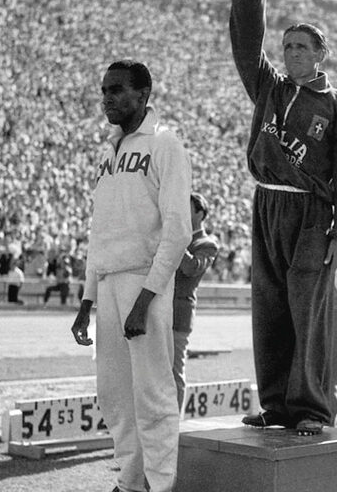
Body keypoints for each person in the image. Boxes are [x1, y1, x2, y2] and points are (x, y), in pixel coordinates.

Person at [230, 0, 337, 436]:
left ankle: (310, 407)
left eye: (300, 46)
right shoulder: (269, 87)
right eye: (286, 45)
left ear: (321, 53)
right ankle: (275, 405)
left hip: (310, 214)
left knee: (310, 312)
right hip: (266, 205)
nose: (290, 52)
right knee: (268, 306)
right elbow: (246, 46)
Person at [71, 60, 192, 492]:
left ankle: (161, 486)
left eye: (117, 90)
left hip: (146, 283)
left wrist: (145, 298)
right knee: (115, 396)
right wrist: (87, 300)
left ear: (143, 95)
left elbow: (179, 230)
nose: (107, 98)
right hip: (107, 286)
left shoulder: (165, 145)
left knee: (153, 395)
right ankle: (131, 481)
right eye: (104, 89)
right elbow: (99, 231)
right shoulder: (110, 152)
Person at [172, 192, 220, 410]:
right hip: (159, 310)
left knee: (174, 371)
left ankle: (174, 424)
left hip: (179, 312)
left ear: (200, 213)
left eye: (187, 207)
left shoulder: (207, 243)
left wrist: (175, 241)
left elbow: (191, 268)